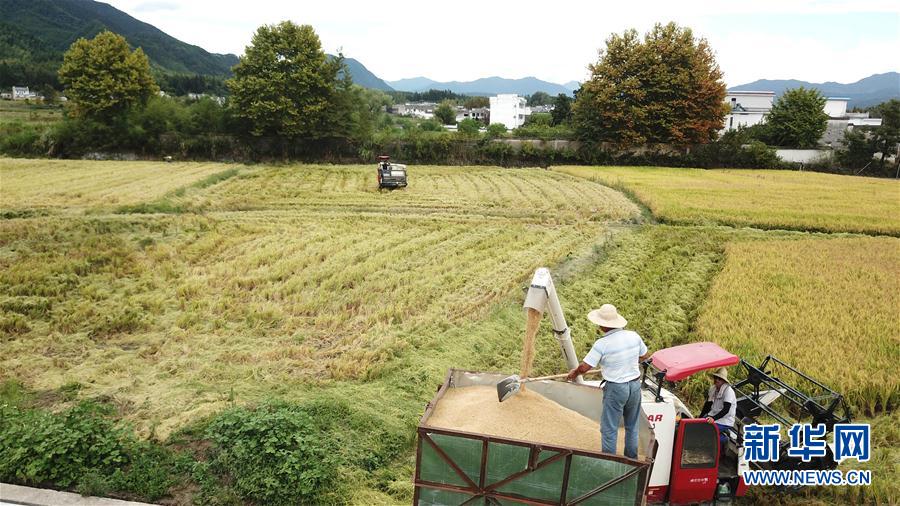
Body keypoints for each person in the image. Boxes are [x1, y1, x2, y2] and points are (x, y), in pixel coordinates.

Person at [566, 304, 649, 458]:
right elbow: (644, 355)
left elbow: (585, 367)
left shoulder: (602, 344)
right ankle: (631, 459)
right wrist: (627, 360)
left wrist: (574, 372)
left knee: (610, 427)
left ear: (604, 325)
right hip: (634, 386)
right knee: (632, 426)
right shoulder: (633, 336)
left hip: (616, 388)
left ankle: (609, 461)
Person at [698, 367, 736, 443]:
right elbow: (708, 404)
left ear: (724, 381)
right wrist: (700, 417)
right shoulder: (713, 388)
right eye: (716, 377)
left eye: (719, 379)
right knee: (698, 426)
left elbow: (726, 410)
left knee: (707, 432)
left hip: (725, 419)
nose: (717, 380)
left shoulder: (728, 391)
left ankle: (724, 438)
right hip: (713, 414)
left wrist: (713, 419)